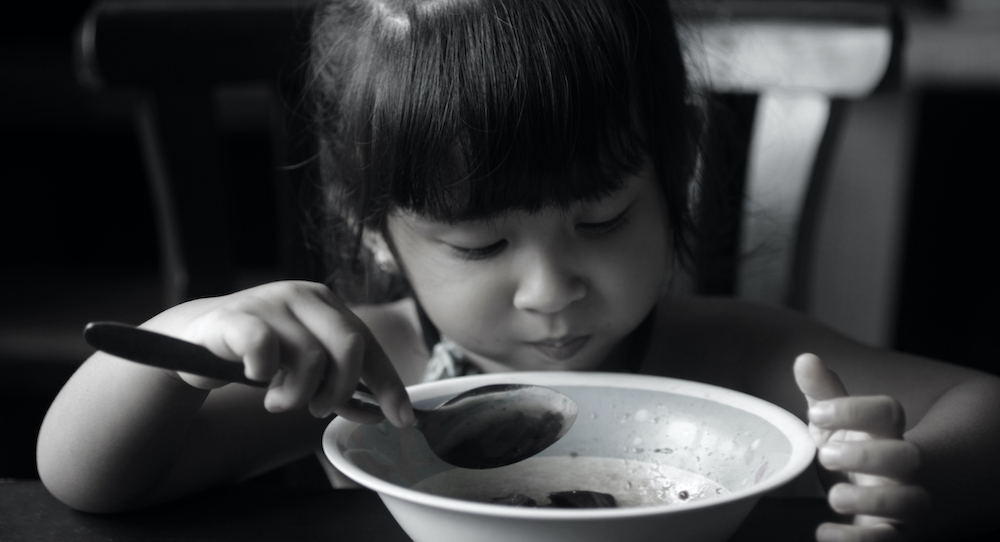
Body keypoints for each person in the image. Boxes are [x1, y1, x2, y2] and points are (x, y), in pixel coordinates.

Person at [37, 0, 1000, 540]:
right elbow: (88, 480)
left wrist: (912, 473)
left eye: (604, 217)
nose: (551, 290)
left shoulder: (735, 360)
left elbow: (984, 407)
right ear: (369, 228)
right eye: (481, 245)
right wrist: (192, 338)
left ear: (681, 171)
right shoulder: (366, 375)